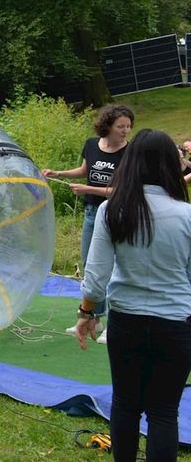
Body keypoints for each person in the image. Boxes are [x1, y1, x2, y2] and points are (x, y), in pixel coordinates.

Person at [74, 129, 191, 461]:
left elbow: (96, 279)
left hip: (127, 323)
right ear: (172, 164)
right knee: (163, 412)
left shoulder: (112, 210)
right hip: (176, 324)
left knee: (125, 404)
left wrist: (86, 313)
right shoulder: (187, 215)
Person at [42, 104, 134, 343]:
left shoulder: (130, 152)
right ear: (107, 125)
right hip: (93, 213)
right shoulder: (92, 144)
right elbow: (85, 170)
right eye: (120, 126)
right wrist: (59, 174)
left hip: (117, 213)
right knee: (89, 263)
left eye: (128, 126)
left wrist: (88, 189)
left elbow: (123, 190)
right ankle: (94, 317)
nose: (125, 131)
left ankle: (114, 326)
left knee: (114, 269)